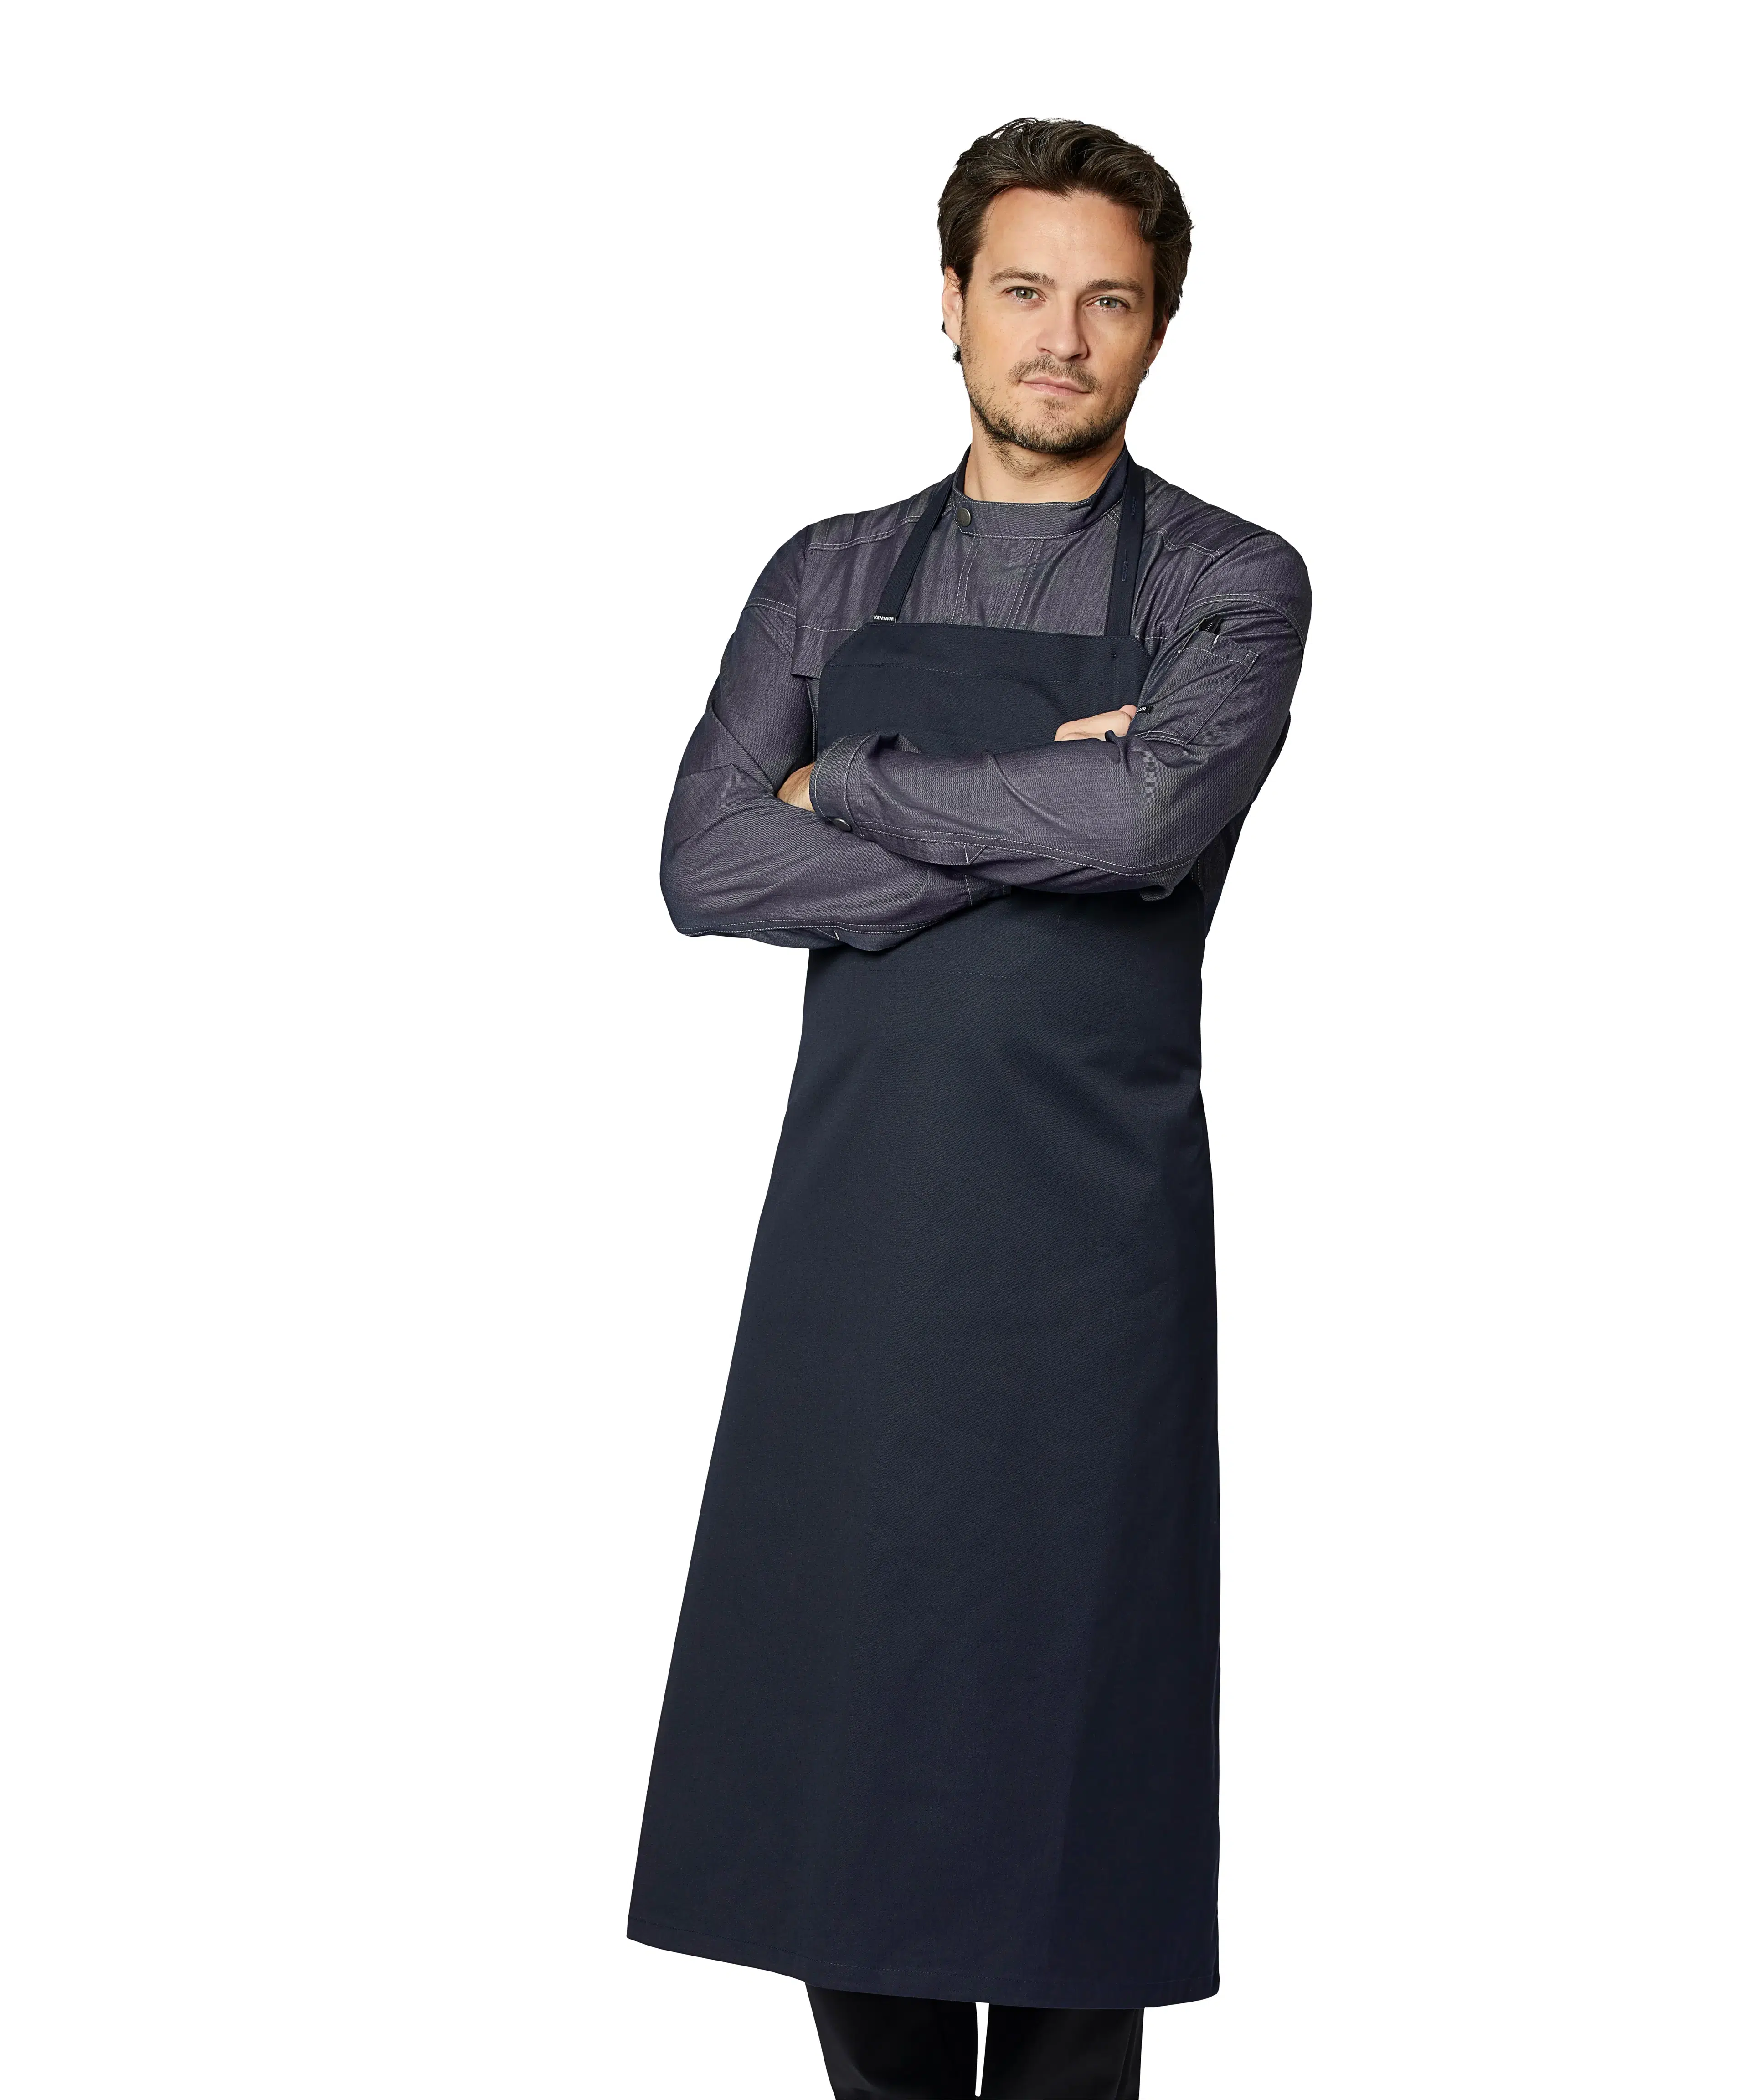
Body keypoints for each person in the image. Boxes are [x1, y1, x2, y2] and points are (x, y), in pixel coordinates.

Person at [627, 117, 1312, 2100]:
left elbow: (1151, 824)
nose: (1061, 338)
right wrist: (1033, 813)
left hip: (1093, 1257)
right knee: (851, 1772)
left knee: (1082, 1766)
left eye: (1110, 301)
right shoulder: (830, 572)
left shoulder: (1233, 579)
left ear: (1159, 327)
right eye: (1022, 290)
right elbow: (706, 864)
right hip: (862, 1240)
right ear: (949, 303)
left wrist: (849, 782)